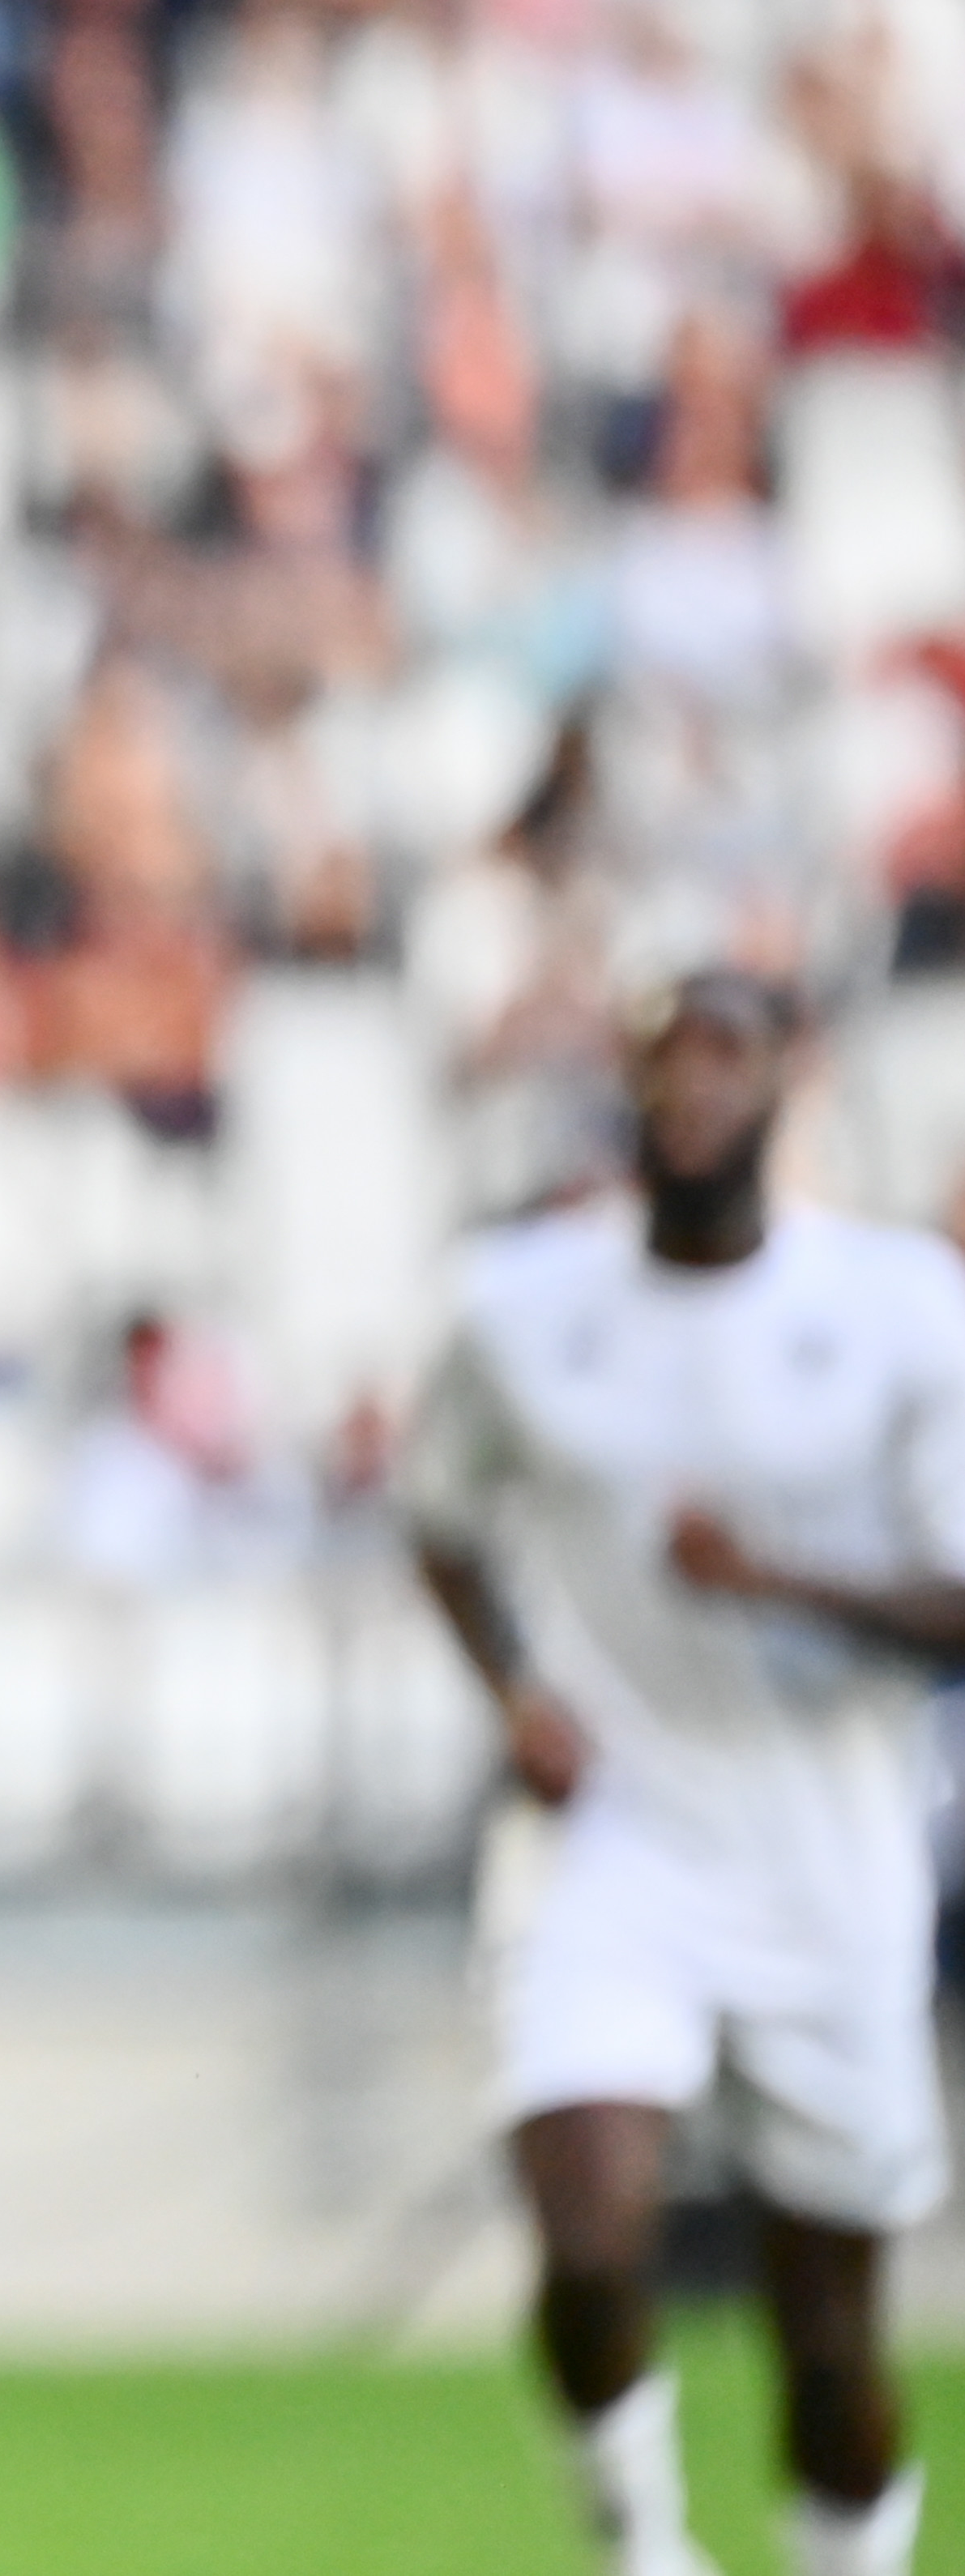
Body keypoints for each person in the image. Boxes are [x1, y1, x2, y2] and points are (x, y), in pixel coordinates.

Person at [408, 970, 965, 2576]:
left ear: (782, 1081)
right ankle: (639, 2547)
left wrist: (771, 1581)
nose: (689, 1089)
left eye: (723, 1054)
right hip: (608, 1833)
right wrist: (510, 1687)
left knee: (828, 2345)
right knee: (583, 2234)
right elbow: (436, 1519)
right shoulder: (519, 1305)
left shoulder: (901, 1311)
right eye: (663, 1057)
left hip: (823, 1847)